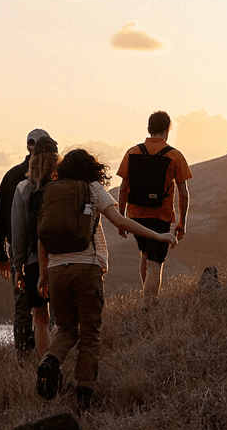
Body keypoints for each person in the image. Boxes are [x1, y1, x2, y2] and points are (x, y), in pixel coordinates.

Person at [35, 148, 176, 410]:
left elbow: (41, 234)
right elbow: (120, 221)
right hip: (86, 268)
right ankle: (84, 394)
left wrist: (43, 273)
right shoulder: (93, 189)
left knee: (65, 329)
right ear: (91, 168)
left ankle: (49, 360)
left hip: (56, 270)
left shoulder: (51, 191)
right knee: (89, 333)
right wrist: (158, 236)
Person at [116, 110, 191, 304]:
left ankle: (146, 299)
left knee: (145, 253)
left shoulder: (133, 152)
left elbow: (124, 188)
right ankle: (150, 306)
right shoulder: (175, 156)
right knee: (155, 262)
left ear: (149, 129)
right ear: (168, 130)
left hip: (136, 215)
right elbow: (183, 193)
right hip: (161, 216)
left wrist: (121, 219)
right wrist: (182, 221)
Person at [0, 128, 54, 353]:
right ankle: (53, 354)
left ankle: (23, 355)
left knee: (23, 307)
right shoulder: (60, 178)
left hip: (25, 254)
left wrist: (4, 256)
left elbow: (1, 218)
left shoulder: (13, 177)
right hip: (58, 252)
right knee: (53, 307)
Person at [10, 137, 59, 359]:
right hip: (63, 259)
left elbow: (18, 232)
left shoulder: (23, 188)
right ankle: (60, 361)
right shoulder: (64, 187)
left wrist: (17, 266)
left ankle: (44, 367)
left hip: (33, 261)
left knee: (41, 318)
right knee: (65, 319)